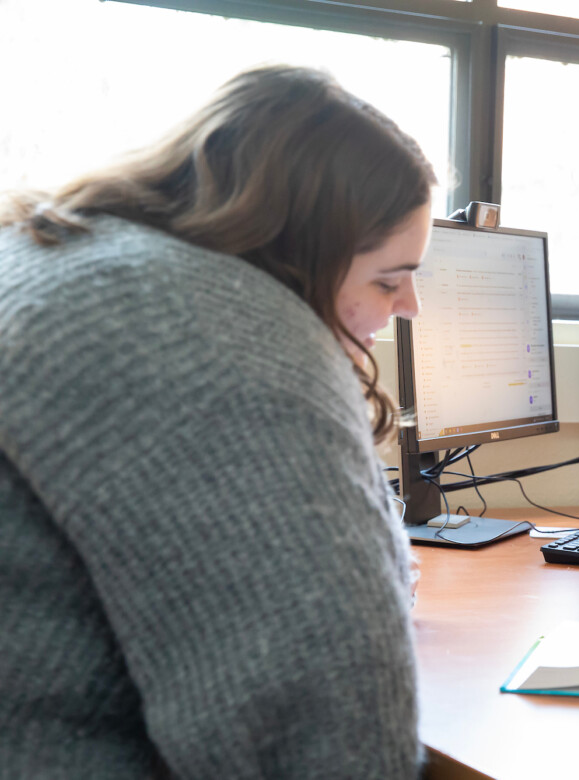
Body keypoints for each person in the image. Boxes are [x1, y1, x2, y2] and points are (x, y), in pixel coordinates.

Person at [0, 66, 433, 777]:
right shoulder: (203, 333)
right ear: (301, 250)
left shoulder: (59, 255)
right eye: (388, 279)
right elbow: (331, 729)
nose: (410, 305)